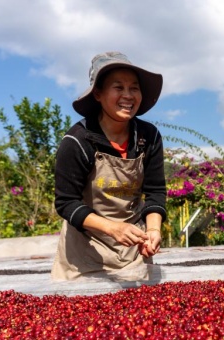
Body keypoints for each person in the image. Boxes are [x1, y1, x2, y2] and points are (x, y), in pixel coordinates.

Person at [51, 52, 167, 281]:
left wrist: (153, 230)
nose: (128, 95)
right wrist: (113, 228)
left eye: (134, 88)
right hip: (84, 255)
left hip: (133, 252)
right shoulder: (78, 140)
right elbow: (66, 202)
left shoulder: (148, 137)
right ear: (98, 94)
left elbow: (155, 192)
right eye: (118, 87)